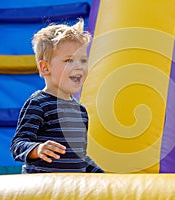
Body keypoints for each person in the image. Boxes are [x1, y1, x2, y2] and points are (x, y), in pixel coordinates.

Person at [10, 19, 104, 173]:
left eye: (83, 60)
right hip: (43, 190)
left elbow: (79, 157)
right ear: (45, 67)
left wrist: (101, 176)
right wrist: (37, 149)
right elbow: (18, 145)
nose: (79, 66)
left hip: (70, 191)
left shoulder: (80, 111)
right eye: (69, 60)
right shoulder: (38, 104)